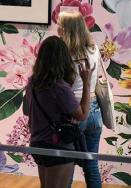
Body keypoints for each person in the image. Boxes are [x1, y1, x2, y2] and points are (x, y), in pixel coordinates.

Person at [26, 36, 95, 188]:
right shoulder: (59, 87)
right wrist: (87, 83)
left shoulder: (32, 82)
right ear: (63, 58)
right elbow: (82, 114)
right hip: (58, 148)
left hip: (37, 144)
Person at [58, 10, 103, 188]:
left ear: (65, 29)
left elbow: (62, 85)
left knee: (66, 166)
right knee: (91, 165)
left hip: (74, 111)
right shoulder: (93, 49)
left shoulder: (64, 52)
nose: (57, 27)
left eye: (60, 24)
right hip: (95, 112)